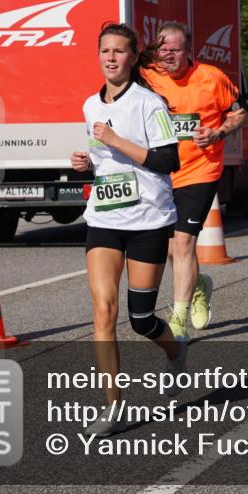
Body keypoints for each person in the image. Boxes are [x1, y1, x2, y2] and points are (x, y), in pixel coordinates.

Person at [70, 23, 185, 436]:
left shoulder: (149, 103)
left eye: (120, 51)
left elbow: (168, 160)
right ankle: (113, 406)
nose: (111, 58)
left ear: (134, 58)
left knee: (140, 318)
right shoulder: (89, 105)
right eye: (105, 51)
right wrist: (84, 164)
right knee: (103, 311)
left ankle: (175, 352)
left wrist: (116, 140)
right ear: (98, 56)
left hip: (148, 219)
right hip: (104, 217)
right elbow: (102, 159)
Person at [140, 23, 247, 339]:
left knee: (185, 242)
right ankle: (199, 286)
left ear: (189, 50)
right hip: (161, 173)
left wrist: (217, 133)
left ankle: (178, 320)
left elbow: (239, 114)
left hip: (201, 170)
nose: (168, 55)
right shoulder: (147, 77)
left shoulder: (211, 77)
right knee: (172, 249)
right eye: (163, 49)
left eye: (174, 49)